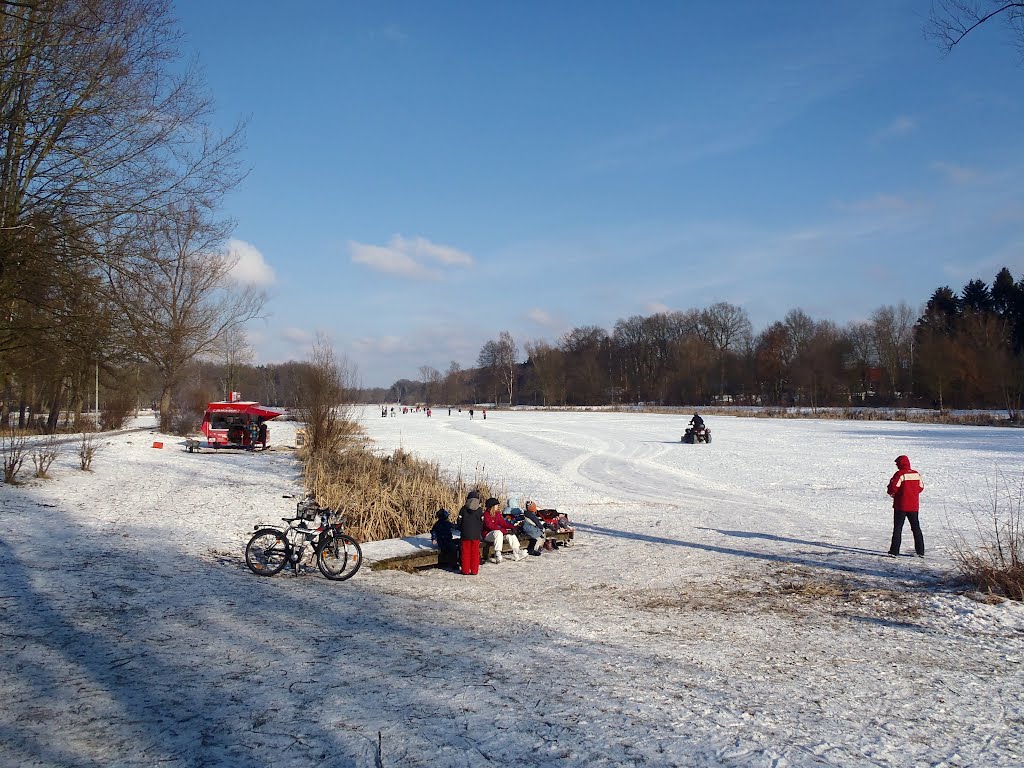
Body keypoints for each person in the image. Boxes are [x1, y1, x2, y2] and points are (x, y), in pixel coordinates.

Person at [887, 454, 925, 558]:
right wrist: (912, 494)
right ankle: (920, 551)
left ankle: (894, 551)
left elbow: (893, 488)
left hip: (901, 505)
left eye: (897, 464)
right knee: (916, 528)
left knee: (898, 528)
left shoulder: (900, 474)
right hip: (913, 506)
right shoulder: (916, 474)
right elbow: (921, 487)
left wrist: (894, 494)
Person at [483, 496, 523, 563]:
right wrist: (505, 531)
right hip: (488, 535)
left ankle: (516, 552)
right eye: (496, 505)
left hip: (498, 534)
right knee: (498, 532)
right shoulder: (486, 515)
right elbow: (491, 526)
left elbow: (503, 523)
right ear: (492, 506)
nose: (497, 506)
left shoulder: (497, 514)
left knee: (510, 535)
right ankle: (498, 553)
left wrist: (512, 527)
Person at [457, 491, 484, 575]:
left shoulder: (463, 509)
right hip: (476, 535)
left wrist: (461, 529)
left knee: (466, 552)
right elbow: (482, 522)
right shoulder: (479, 510)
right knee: (475, 552)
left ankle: (465, 570)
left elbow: (459, 522)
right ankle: (474, 570)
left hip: (465, 534)